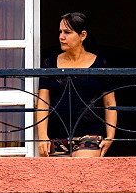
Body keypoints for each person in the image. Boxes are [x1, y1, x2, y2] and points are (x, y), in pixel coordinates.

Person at [36, 13, 117, 157]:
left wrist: (110, 136)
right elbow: (43, 102)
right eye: (60, 32)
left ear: (82, 35)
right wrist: (42, 137)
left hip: (90, 134)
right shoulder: (49, 63)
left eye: (67, 32)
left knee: (82, 174)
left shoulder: (100, 64)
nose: (61, 37)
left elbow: (110, 103)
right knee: (58, 178)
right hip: (56, 136)